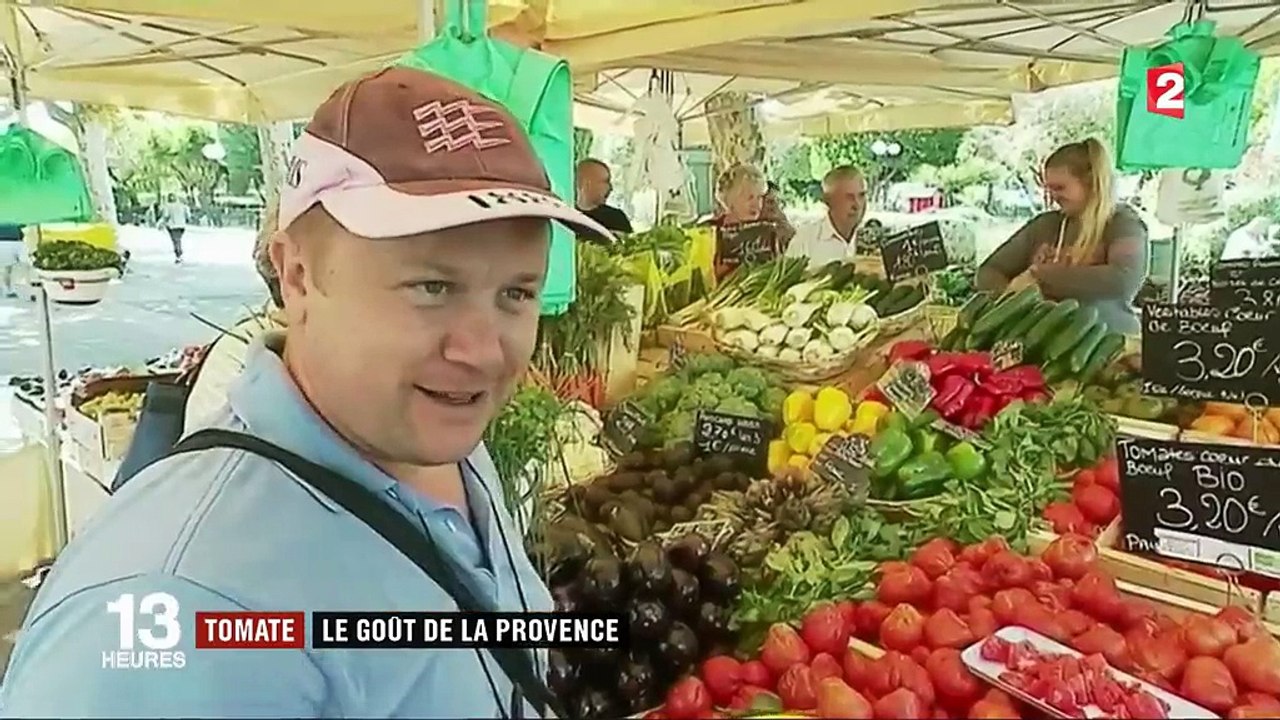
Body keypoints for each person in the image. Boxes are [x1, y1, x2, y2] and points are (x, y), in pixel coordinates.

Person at [0, 66, 611, 718]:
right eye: (433, 288)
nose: (484, 352)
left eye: (516, 293)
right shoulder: (180, 608)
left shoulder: (439, 440)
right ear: (296, 276)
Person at [976, 138, 1147, 335]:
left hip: (1109, 340)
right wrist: (1010, 302)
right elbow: (989, 270)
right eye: (1048, 188)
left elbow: (1123, 280)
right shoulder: (1044, 225)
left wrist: (1039, 277)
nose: (1052, 197)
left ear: (1091, 184)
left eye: (1059, 188)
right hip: (1044, 340)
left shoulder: (1123, 223)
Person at [786, 166, 868, 269]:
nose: (857, 204)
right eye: (849, 197)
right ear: (828, 201)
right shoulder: (805, 241)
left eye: (861, 195)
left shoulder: (874, 243)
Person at [575, 158, 632, 236]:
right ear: (588, 183)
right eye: (606, 181)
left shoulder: (616, 218)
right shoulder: (565, 212)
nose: (610, 188)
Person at [161, 193, 189, 264]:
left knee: (175, 241)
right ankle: (179, 255)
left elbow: (166, 216)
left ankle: (178, 255)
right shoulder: (182, 205)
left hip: (172, 226)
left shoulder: (167, 206)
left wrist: (163, 223)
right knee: (178, 240)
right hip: (182, 225)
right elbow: (188, 215)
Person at [0, 223, 25, 298]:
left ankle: (7, 288)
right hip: (14, 241)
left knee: (7, 269)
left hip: (8, 242)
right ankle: (8, 289)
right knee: (8, 269)